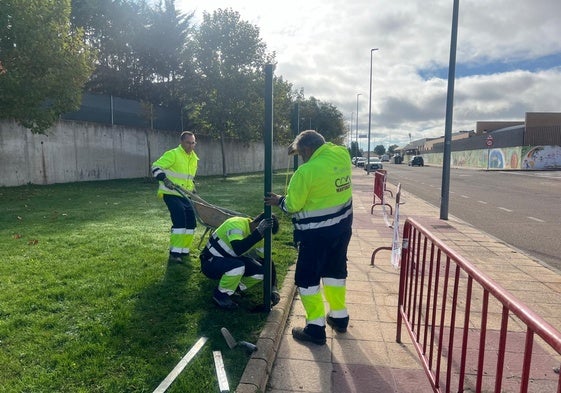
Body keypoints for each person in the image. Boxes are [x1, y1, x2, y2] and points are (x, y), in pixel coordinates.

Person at [264, 130, 353, 345]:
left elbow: (293, 205)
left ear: (308, 150)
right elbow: (323, 143)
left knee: (307, 279)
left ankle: (315, 328)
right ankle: (339, 318)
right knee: (335, 273)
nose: (301, 158)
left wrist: (279, 201)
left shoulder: (305, 172)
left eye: (301, 153)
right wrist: (297, 145)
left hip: (315, 235)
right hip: (342, 229)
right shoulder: (341, 154)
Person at [199, 213, 281, 310]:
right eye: (265, 232)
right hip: (210, 262)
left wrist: (274, 288)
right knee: (238, 266)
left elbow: (268, 262)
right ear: (259, 224)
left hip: (229, 260)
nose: (264, 236)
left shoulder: (259, 237)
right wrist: (258, 233)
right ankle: (220, 295)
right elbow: (238, 248)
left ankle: (232, 289)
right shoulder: (236, 223)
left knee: (261, 271)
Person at [151, 131, 199, 264]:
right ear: (182, 142)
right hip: (171, 193)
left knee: (191, 224)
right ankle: (175, 253)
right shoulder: (173, 154)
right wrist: (164, 179)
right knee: (180, 222)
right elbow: (156, 167)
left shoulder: (194, 158)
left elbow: (189, 177)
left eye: (193, 143)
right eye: (188, 142)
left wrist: (193, 188)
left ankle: (184, 251)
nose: (190, 145)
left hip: (186, 195)